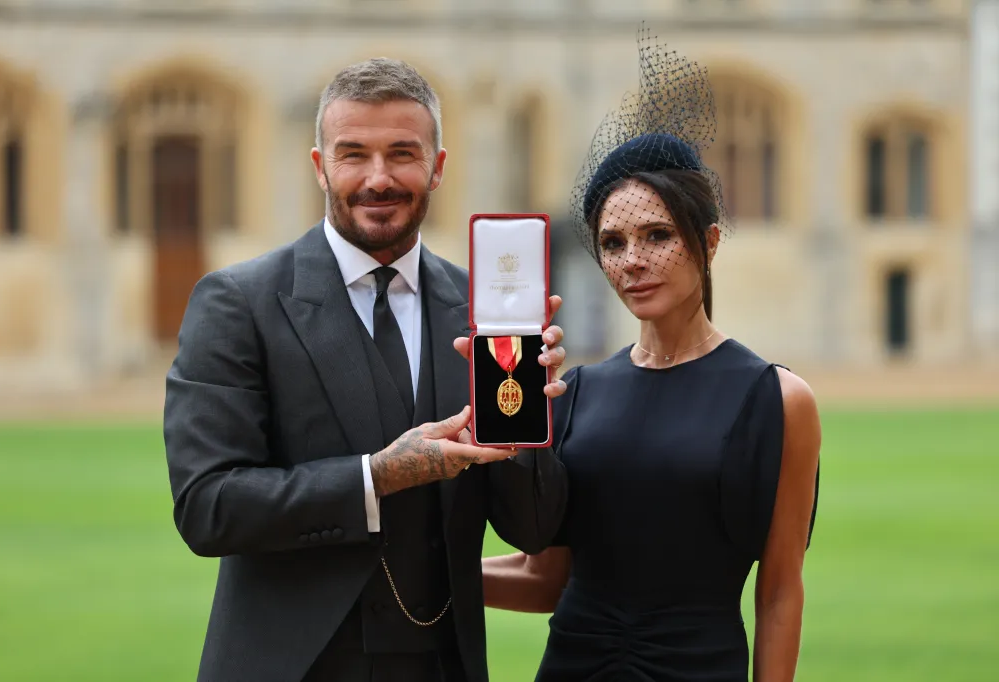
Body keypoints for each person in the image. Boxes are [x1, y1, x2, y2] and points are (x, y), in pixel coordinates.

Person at [163, 57, 570, 682]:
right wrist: (375, 478)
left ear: (436, 168)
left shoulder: (484, 312)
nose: (379, 178)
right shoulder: (238, 302)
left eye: (402, 154)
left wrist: (524, 418)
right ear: (320, 166)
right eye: (354, 154)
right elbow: (208, 507)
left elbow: (533, 528)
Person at [481, 33, 821, 682]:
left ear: (710, 241)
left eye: (657, 235)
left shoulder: (778, 401)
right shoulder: (574, 391)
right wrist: (407, 571)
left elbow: (779, 592)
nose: (631, 260)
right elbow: (544, 578)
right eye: (612, 242)